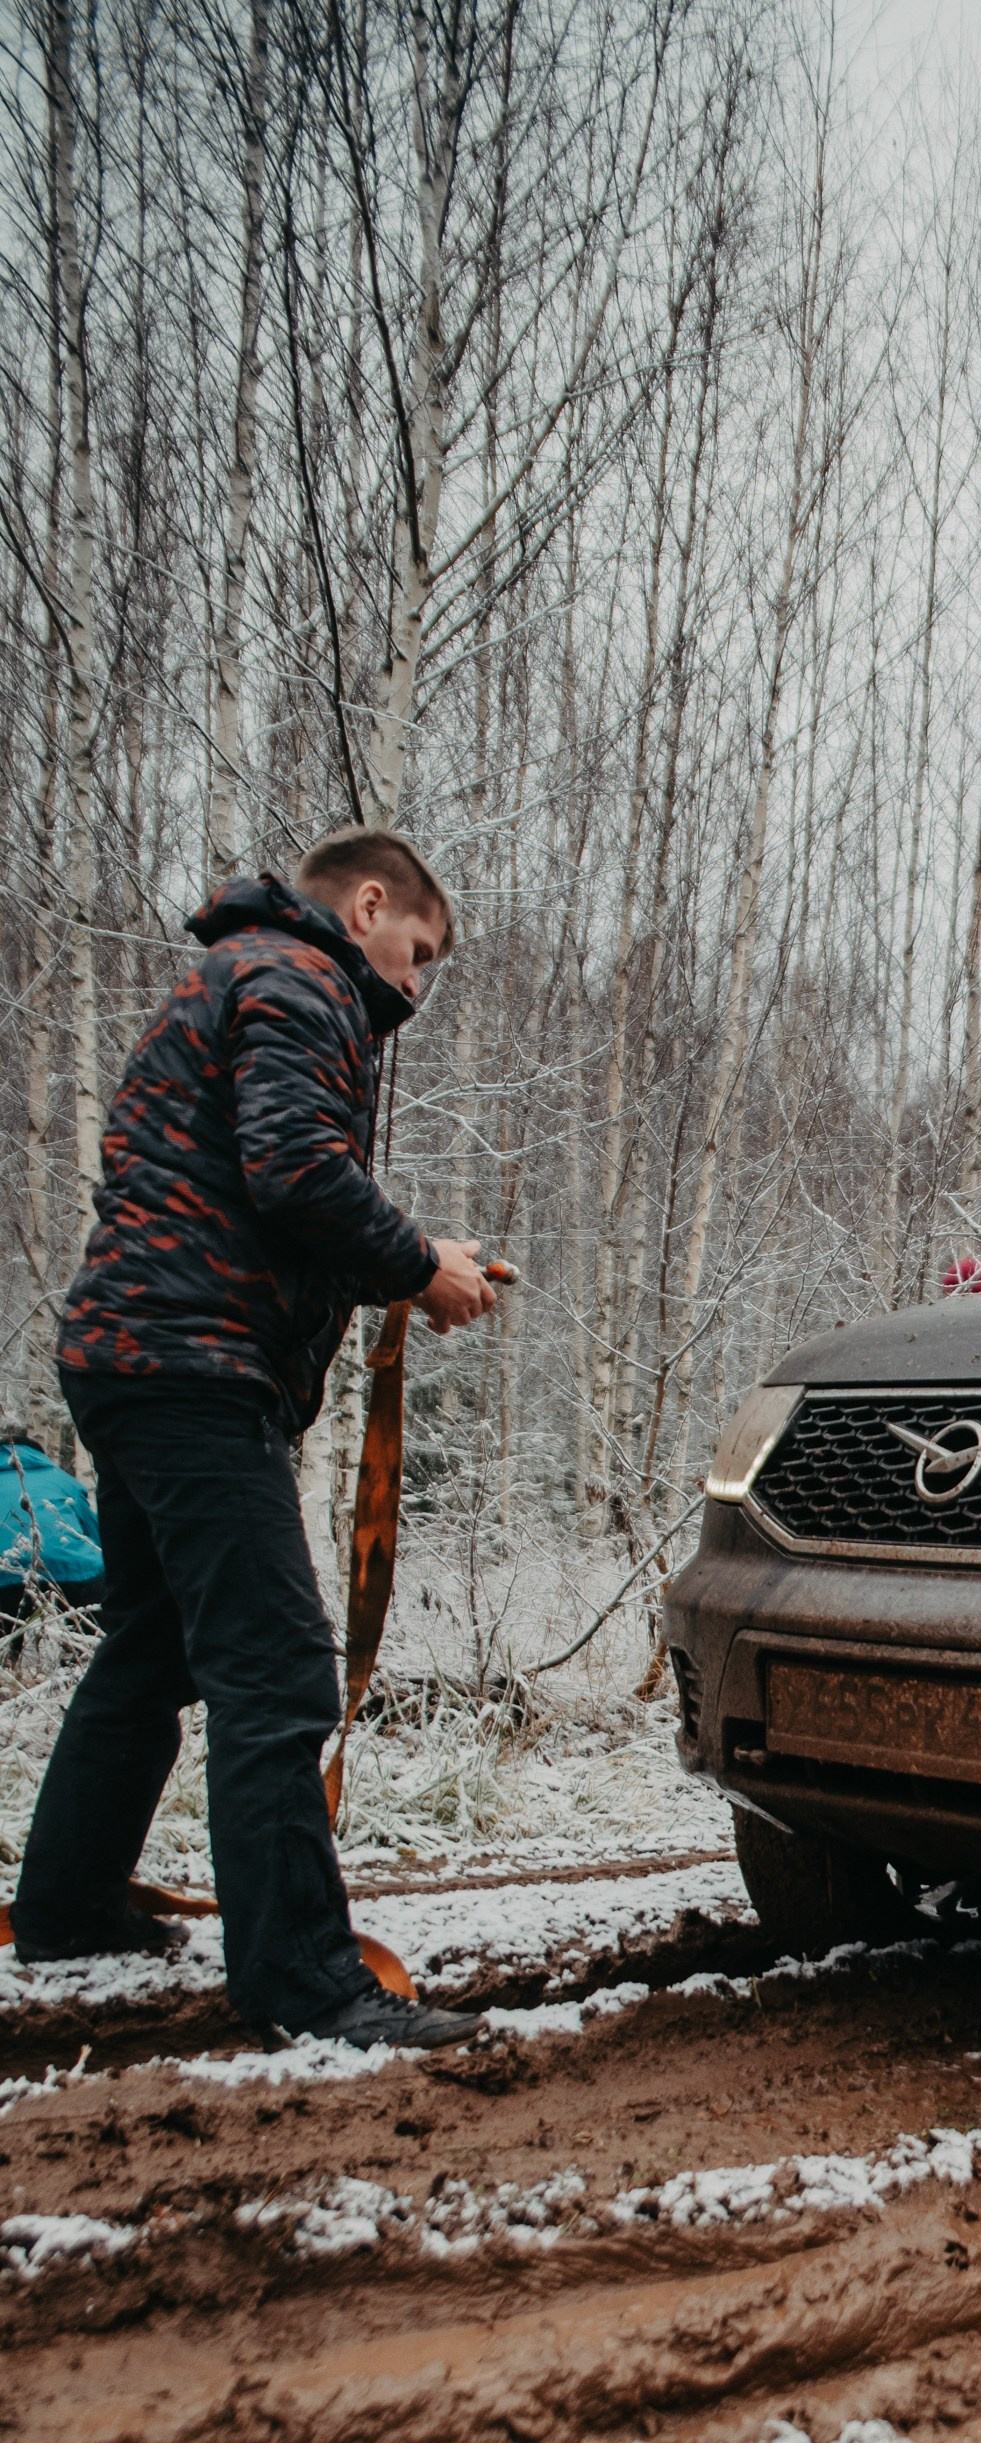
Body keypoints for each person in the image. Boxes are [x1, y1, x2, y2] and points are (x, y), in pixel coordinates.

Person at [11, 831, 497, 2047]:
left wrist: (411, 1265)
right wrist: (417, 1263)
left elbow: (253, 1190)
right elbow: (296, 1172)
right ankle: (306, 1984)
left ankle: (67, 1907)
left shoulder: (243, 971)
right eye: (419, 952)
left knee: (153, 1646)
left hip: (130, 1352)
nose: (416, 983)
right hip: (194, 1366)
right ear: (369, 905)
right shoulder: (299, 976)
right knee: (276, 1669)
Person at [0, 1428, 105, 1637]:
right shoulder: (62, 1480)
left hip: (4, 1575)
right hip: (77, 1572)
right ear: (39, 1456)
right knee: (93, 1639)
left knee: (7, 1646)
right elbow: (97, 1537)